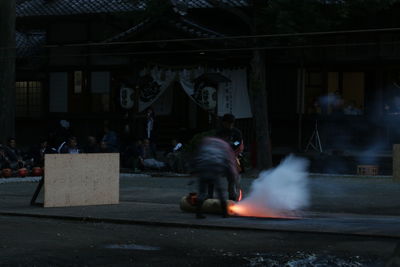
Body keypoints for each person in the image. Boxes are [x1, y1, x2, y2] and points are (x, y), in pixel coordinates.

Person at [192, 137, 239, 219]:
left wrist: (194, 169)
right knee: (220, 190)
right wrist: (233, 175)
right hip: (215, 167)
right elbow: (229, 162)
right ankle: (224, 213)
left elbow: (198, 154)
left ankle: (198, 213)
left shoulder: (207, 141)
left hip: (202, 166)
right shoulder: (226, 146)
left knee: (202, 192)